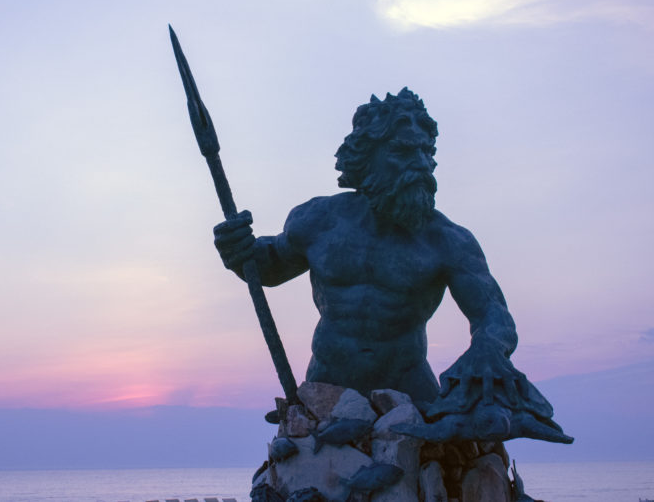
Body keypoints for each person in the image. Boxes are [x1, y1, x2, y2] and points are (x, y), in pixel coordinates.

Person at [214, 88, 571, 443]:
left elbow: (493, 313)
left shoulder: (447, 241)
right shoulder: (319, 221)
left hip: (410, 391)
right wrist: (239, 251)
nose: (420, 162)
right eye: (403, 150)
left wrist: (488, 348)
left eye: (426, 151)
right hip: (325, 390)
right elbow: (271, 266)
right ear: (367, 156)